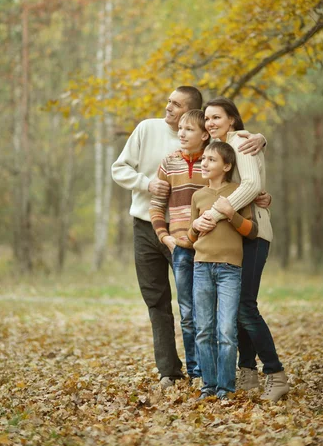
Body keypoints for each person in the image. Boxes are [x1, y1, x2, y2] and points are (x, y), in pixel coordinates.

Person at [111, 87, 265, 390]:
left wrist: (261, 140)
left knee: (201, 308)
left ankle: (211, 371)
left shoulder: (208, 141)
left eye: (177, 105)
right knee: (157, 300)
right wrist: (147, 186)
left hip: (195, 236)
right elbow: (120, 169)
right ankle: (169, 370)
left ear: (194, 117)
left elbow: (234, 153)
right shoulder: (149, 130)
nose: (169, 108)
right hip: (150, 227)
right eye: (168, 101)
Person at [194, 97, 289, 402]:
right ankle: (247, 371)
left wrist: (214, 215)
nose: (210, 123)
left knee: (245, 306)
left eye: (216, 117)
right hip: (237, 234)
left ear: (232, 119)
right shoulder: (226, 147)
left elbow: (249, 186)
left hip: (254, 233)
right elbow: (250, 188)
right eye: (207, 118)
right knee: (237, 308)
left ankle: (275, 374)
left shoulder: (242, 142)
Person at [188, 141, 258, 399]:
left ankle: (226, 389)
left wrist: (231, 214)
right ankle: (208, 386)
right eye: (203, 159)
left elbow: (251, 231)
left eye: (211, 159)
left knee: (226, 330)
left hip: (230, 269)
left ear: (227, 166)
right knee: (204, 329)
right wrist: (195, 226)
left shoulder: (239, 191)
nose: (204, 163)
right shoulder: (198, 196)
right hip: (202, 267)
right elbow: (191, 237)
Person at [149, 109, 209, 383]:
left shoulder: (212, 162)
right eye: (180, 129)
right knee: (187, 313)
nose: (181, 134)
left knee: (210, 312)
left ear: (205, 134)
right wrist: (165, 237)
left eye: (189, 130)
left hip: (210, 249)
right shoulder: (168, 163)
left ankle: (214, 370)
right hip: (182, 248)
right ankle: (196, 372)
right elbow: (157, 205)